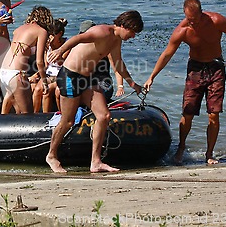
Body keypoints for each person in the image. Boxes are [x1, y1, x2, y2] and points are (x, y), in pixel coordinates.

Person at [143, 0, 226, 165]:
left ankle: (209, 153)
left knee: (214, 114)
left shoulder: (216, 20)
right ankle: (181, 148)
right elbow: (167, 54)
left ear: (201, 13)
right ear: (185, 14)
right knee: (188, 112)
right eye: (189, 19)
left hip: (216, 67)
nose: (192, 22)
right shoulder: (182, 30)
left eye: (195, 19)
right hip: (195, 70)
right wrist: (152, 77)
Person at [46, 11, 144, 173]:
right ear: (126, 26)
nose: (133, 36)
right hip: (70, 76)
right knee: (68, 121)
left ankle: (96, 162)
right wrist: (60, 51)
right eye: (133, 32)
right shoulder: (102, 31)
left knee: (104, 115)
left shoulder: (116, 41)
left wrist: (132, 83)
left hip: (88, 79)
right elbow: (77, 38)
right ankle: (51, 155)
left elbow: (118, 63)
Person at [0, 6, 54, 114]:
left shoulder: (19, 29)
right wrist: (44, 82)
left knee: (17, 109)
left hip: (4, 71)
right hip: (17, 74)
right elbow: (39, 61)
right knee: (27, 114)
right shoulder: (41, 31)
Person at [78, 20, 126, 101]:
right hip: (86, 81)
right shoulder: (81, 47)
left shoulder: (106, 48)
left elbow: (117, 69)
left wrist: (120, 87)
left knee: (89, 93)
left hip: (103, 82)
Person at [31, 18, 68, 113]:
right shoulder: (47, 45)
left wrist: (57, 53)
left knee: (46, 91)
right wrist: (36, 75)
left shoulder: (66, 45)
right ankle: (34, 115)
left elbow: (61, 62)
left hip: (61, 75)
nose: (49, 37)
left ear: (59, 34)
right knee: (38, 89)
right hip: (49, 74)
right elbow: (45, 65)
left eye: (52, 34)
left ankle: (46, 115)